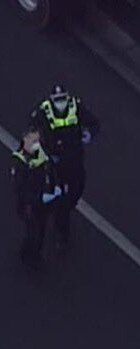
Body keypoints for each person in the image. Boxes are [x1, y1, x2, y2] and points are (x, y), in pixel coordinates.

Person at [30, 84, 99, 249]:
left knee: (77, 188)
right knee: (61, 198)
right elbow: (32, 128)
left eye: (63, 99)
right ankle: (62, 233)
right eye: (57, 100)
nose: (60, 103)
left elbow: (94, 123)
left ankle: (65, 209)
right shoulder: (44, 111)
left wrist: (89, 134)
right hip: (55, 161)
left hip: (74, 158)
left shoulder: (76, 106)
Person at [9, 128, 63, 267]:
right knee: (33, 232)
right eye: (33, 141)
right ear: (24, 139)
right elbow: (21, 192)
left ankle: (35, 253)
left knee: (41, 230)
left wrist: (56, 184)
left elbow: (51, 168)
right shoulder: (19, 163)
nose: (37, 144)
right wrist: (41, 198)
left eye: (38, 140)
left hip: (43, 202)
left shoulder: (41, 153)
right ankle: (27, 255)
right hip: (30, 207)